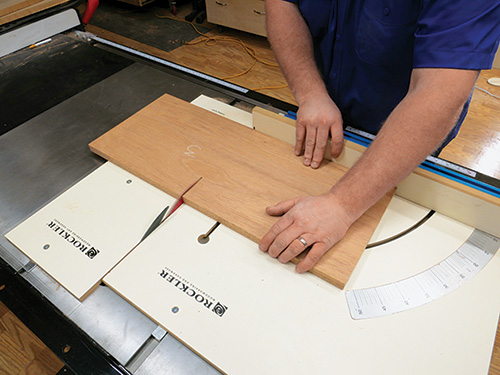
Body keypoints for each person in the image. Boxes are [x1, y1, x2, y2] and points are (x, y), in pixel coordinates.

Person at [258, 0, 500, 274]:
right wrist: (310, 93)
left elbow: (439, 92)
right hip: (325, 103)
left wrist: (341, 206)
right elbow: (281, 3)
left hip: (406, 135)